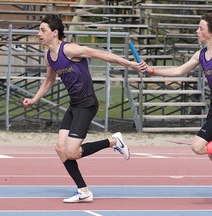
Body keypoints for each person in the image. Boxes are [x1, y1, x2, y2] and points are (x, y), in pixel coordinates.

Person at [23, 14, 147, 203]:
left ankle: (114, 142)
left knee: (72, 152)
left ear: (54, 33)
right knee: (60, 148)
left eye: (43, 30)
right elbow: (49, 80)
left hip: (87, 104)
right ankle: (84, 191)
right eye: (39, 30)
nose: (39, 34)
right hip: (74, 106)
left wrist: (130, 64)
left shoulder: (70, 49)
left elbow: (102, 55)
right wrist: (34, 99)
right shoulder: (49, 56)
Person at [142, 12, 212, 161]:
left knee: (198, 147)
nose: (197, 31)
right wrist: (153, 70)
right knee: (210, 154)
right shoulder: (201, 54)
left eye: (201, 28)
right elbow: (178, 70)